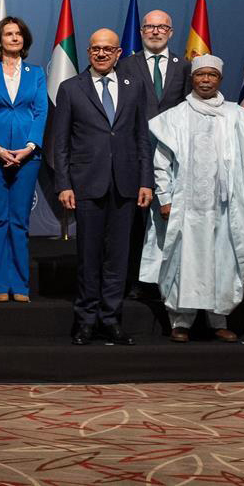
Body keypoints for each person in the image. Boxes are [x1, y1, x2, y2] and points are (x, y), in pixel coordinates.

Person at [48, 28, 153, 346]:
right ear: (89, 52)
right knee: (89, 257)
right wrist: (63, 184)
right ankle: (86, 320)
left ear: (119, 53)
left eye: (108, 49)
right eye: (96, 49)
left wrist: (145, 181)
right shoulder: (71, 88)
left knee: (118, 259)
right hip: (86, 185)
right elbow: (60, 143)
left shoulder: (134, 86)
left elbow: (141, 137)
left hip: (125, 185)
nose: (102, 53)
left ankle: (111, 319)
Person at [141, 55, 244, 343]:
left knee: (224, 261)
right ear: (192, 78)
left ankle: (219, 320)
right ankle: (181, 321)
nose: (205, 80)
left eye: (211, 75)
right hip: (187, 207)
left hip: (226, 208)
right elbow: (161, 163)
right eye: (200, 74)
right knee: (185, 262)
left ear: (220, 79)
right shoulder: (175, 117)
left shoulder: (237, 115)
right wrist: (165, 198)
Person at [120, 9, 193, 302]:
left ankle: (170, 279)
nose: (155, 31)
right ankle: (136, 281)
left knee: (170, 221)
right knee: (136, 222)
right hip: (135, 153)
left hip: (173, 156)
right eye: (149, 26)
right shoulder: (125, 66)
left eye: (162, 27)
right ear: (141, 32)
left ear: (171, 32)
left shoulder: (184, 66)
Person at [0, 17, 48, 303]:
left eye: (19, 33)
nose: (15, 38)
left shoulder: (36, 73)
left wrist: (29, 147)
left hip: (28, 156)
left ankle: (20, 284)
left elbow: (41, 112)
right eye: (9, 33)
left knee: (19, 221)